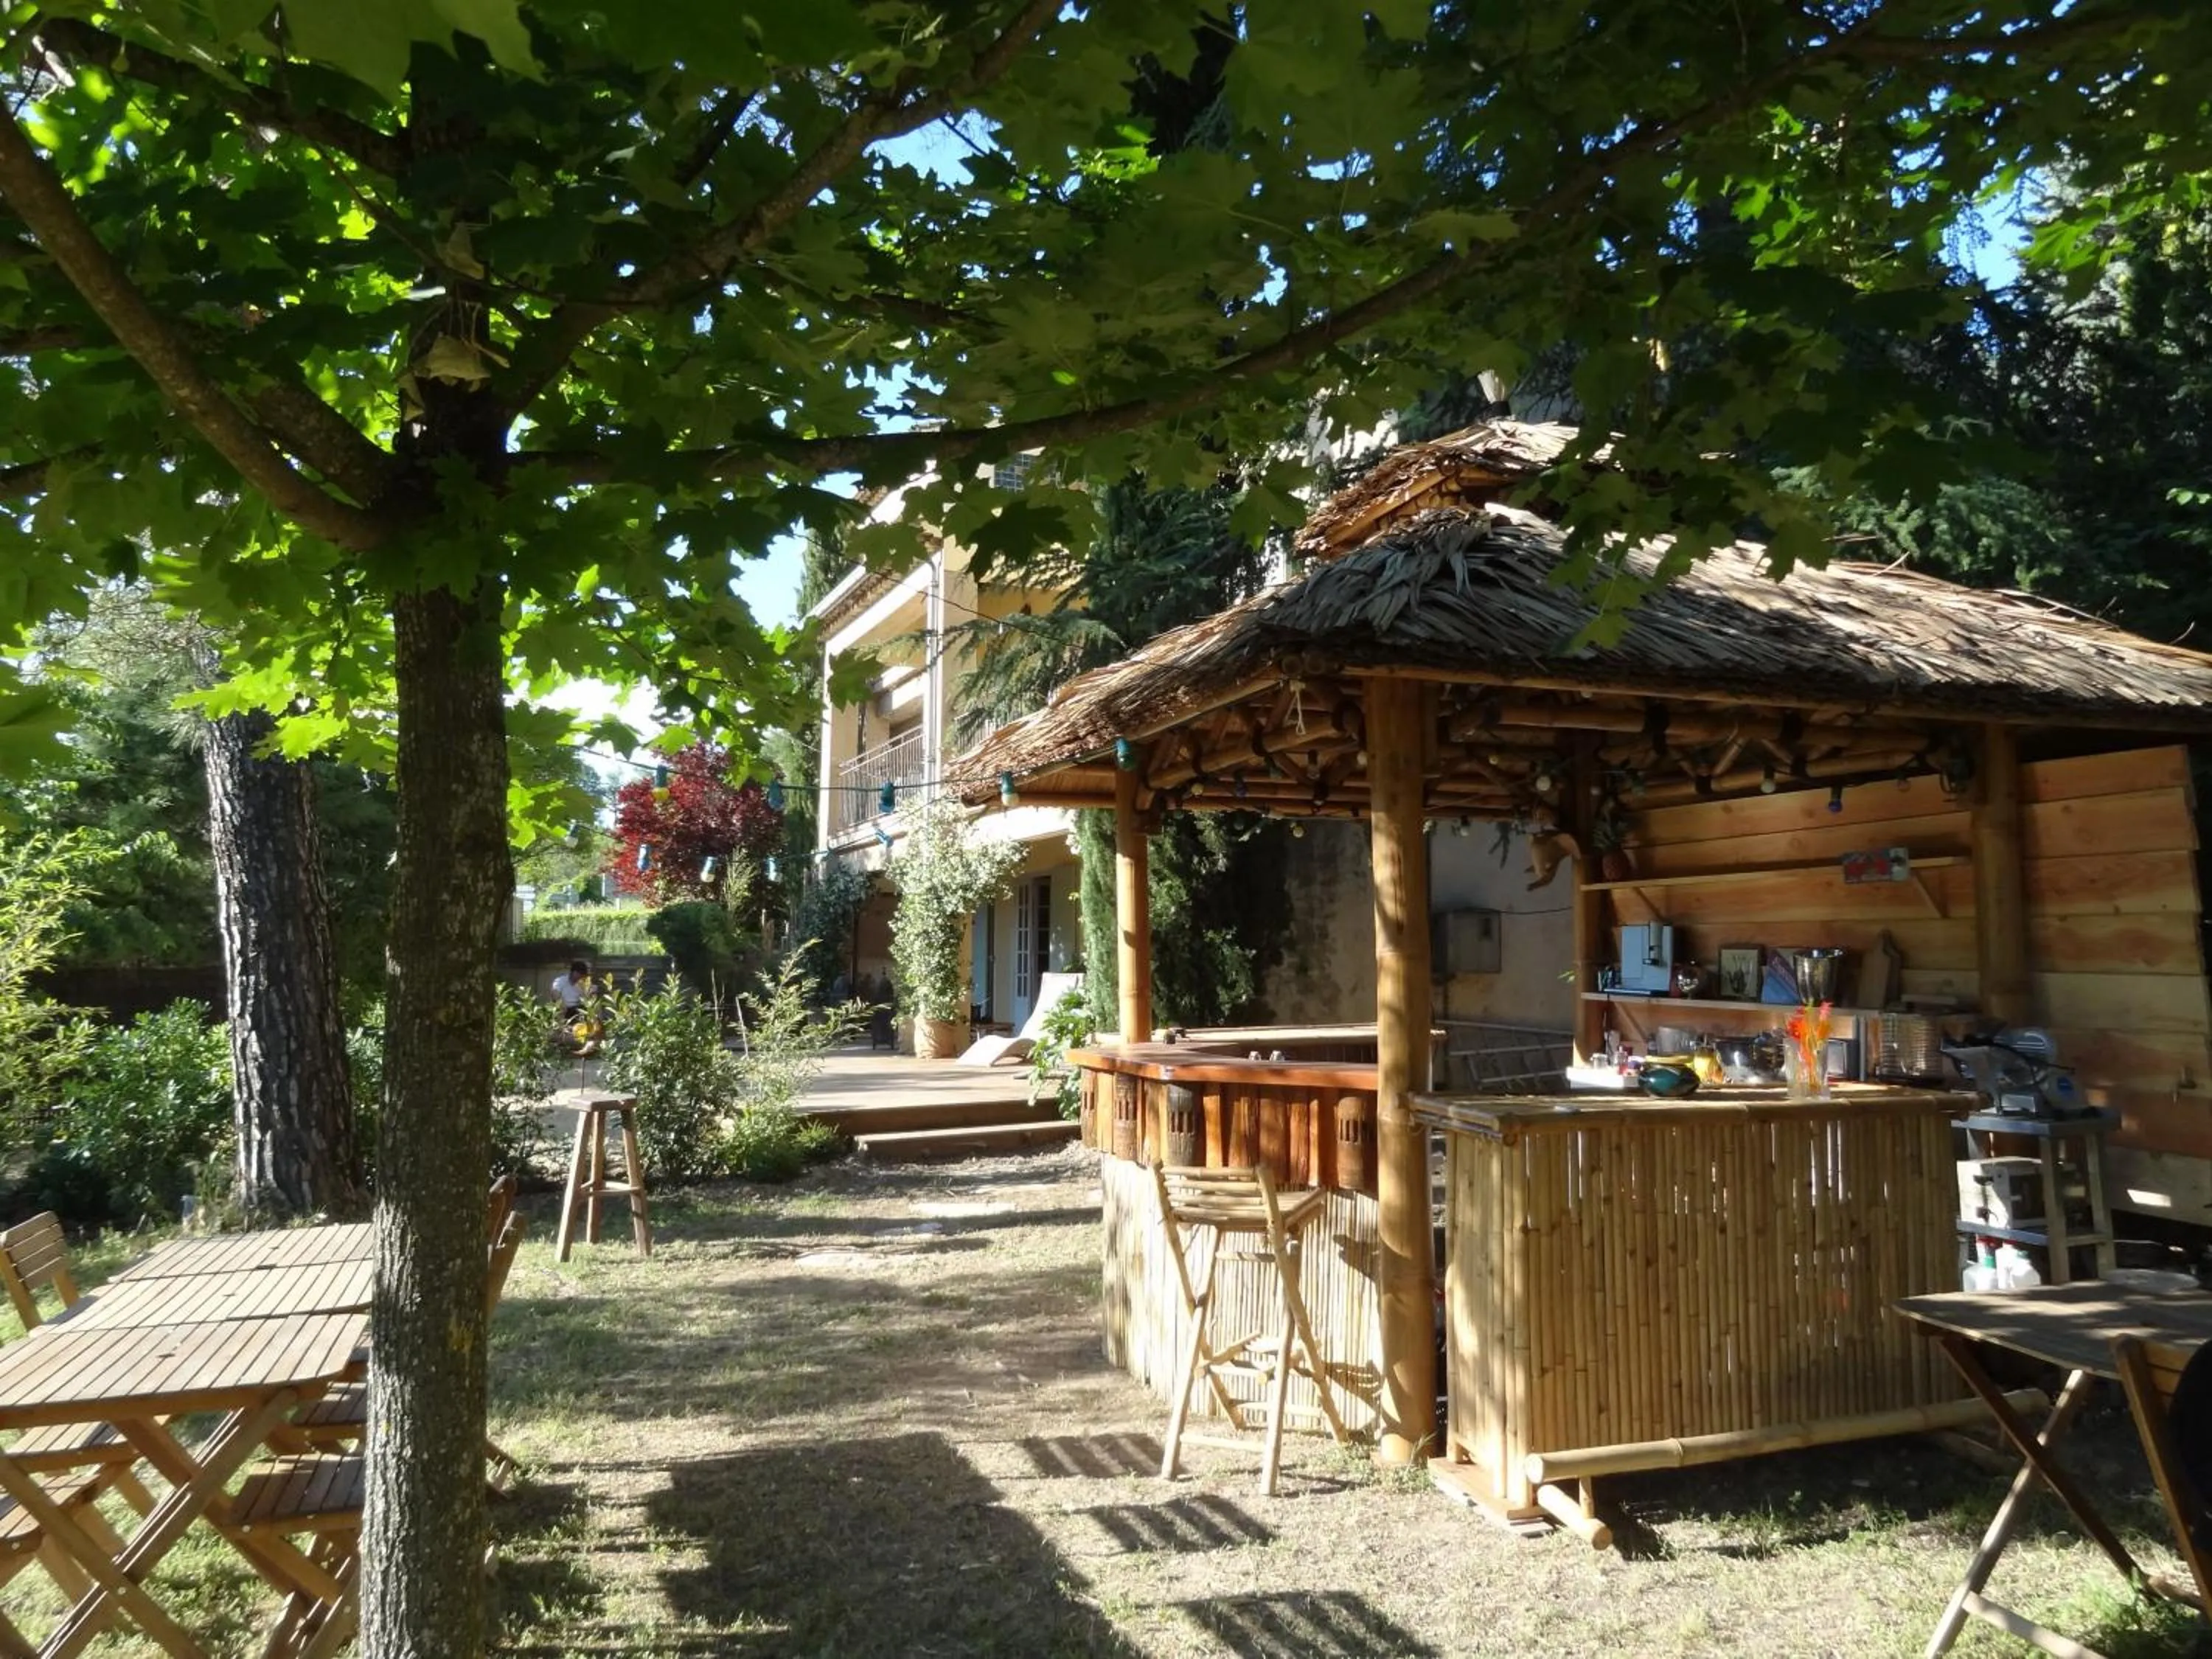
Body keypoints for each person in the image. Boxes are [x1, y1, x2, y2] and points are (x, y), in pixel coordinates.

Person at [551, 959, 594, 1025]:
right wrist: (562, 1005)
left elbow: (586, 999)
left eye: (583, 975)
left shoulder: (582, 984)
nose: (581, 977)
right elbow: (554, 993)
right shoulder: (561, 981)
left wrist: (590, 992)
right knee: (560, 1011)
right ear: (574, 972)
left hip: (577, 1010)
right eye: (580, 974)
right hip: (564, 1009)